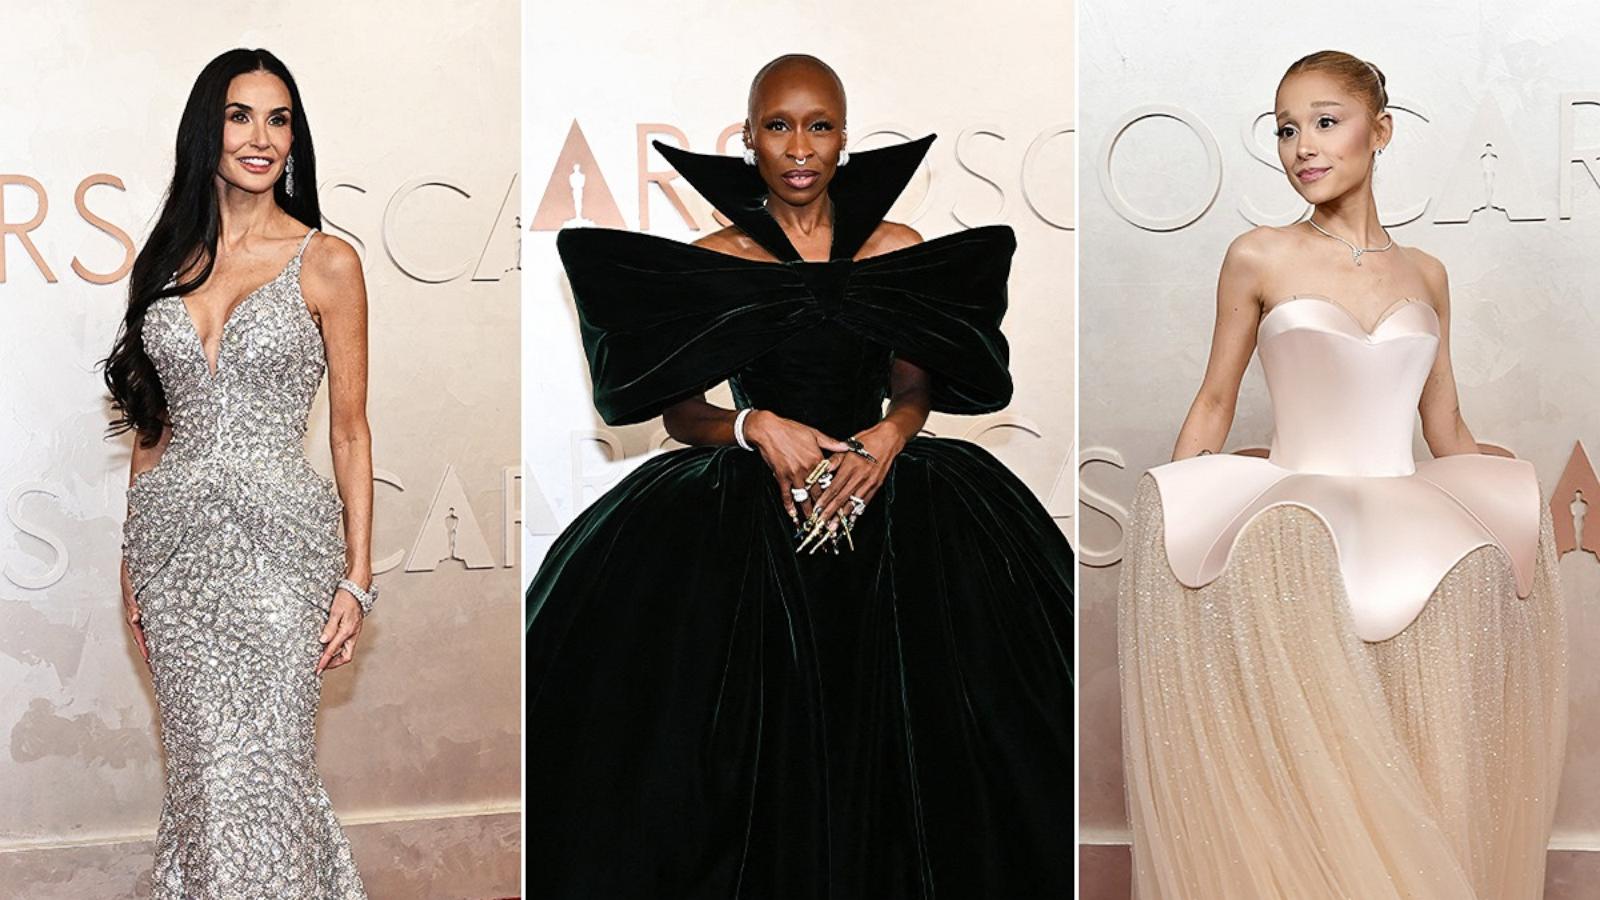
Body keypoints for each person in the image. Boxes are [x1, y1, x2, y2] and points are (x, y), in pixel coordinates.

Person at [525, 54, 1073, 898]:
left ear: (844, 141)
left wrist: (891, 436)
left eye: (818, 126)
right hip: (750, 497)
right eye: (778, 127)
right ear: (748, 141)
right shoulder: (716, 255)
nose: (799, 145)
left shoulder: (898, 248)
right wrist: (752, 426)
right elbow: (679, 413)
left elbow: (915, 383)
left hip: (891, 487)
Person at [1119, 50, 1566, 899]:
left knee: (1400, 752)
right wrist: (1178, 520)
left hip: (1402, 526)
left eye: (1325, 122)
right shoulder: (1259, 255)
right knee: (1299, 761)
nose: (1302, 147)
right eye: (1286, 128)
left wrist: (1499, 480)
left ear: (1381, 131)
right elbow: (1216, 400)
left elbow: (1445, 427)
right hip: (1294, 533)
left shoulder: (1426, 274)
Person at [102, 48, 374, 899]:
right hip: (173, 556)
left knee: (265, 769)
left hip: (280, 557)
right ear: (207, 130)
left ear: (295, 138)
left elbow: (352, 432)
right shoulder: (167, 262)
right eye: (240, 115)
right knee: (202, 776)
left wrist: (357, 578)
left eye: (280, 118)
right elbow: (153, 429)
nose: (262, 137)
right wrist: (129, 558)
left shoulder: (327, 260)